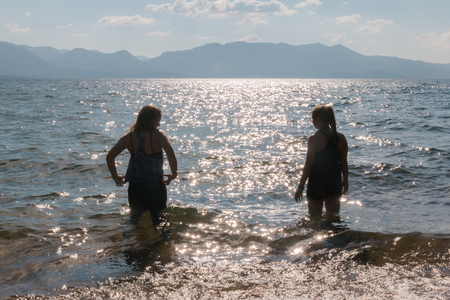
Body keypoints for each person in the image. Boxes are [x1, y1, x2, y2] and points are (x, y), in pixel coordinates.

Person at [106, 105, 177, 225]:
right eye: (158, 120)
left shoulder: (128, 137)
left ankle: (133, 243)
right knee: (159, 220)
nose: (159, 124)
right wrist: (173, 174)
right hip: (155, 186)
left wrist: (115, 177)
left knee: (135, 221)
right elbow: (170, 153)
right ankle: (161, 243)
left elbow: (110, 156)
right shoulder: (159, 135)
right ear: (151, 119)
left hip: (136, 188)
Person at [295, 105, 348, 222]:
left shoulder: (313, 139)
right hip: (334, 184)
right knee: (333, 220)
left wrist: (300, 187)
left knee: (314, 220)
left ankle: (317, 240)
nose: (312, 122)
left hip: (316, 184)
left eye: (312, 119)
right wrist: (345, 182)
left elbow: (308, 165)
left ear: (318, 119)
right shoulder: (341, 138)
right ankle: (336, 239)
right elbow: (344, 163)